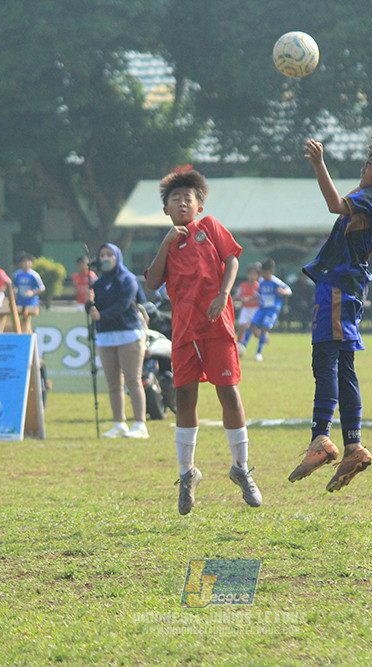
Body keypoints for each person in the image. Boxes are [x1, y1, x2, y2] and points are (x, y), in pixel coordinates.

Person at [288, 137, 372, 493]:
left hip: (339, 288)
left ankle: (321, 439)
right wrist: (363, 179)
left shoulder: (371, 198)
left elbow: (334, 204)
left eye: (370, 165)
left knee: (324, 361)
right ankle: (353, 446)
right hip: (349, 287)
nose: (363, 169)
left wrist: (318, 164)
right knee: (343, 367)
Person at [144, 168, 261, 515]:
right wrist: (166, 242)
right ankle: (187, 474)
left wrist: (224, 294)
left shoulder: (210, 228)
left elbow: (233, 259)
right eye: (174, 199)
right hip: (183, 332)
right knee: (184, 397)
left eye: (188, 198)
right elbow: (151, 282)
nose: (182, 202)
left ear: (199, 205)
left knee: (229, 392)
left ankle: (241, 468)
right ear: (166, 209)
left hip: (216, 326)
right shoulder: (169, 243)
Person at [89, 243, 149, 439]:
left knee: (132, 380)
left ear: (117, 257)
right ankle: (119, 423)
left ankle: (140, 424)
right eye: (102, 255)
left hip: (128, 334)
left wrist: (101, 316)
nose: (106, 258)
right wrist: (89, 305)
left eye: (109, 255)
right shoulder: (97, 284)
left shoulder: (127, 279)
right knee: (113, 382)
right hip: (106, 337)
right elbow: (94, 307)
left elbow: (123, 305)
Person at [240, 258, 292, 361]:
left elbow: (289, 290)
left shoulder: (275, 281)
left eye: (265, 273)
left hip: (272, 310)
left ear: (271, 272)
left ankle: (258, 353)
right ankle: (243, 347)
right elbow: (259, 295)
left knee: (264, 329)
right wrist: (249, 299)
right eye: (262, 273)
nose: (263, 275)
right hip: (262, 308)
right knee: (252, 325)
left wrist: (283, 292)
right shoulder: (261, 281)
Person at [233, 263, 260, 345]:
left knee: (255, 330)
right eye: (250, 274)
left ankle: (263, 339)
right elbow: (236, 296)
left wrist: (249, 299)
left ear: (257, 276)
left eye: (253, 274)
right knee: (241, 327)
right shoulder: (243, 286)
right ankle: (239, 344)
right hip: (245, 309)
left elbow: (259, 297)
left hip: (255, 309)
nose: (251, 276)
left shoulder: (258, 286)